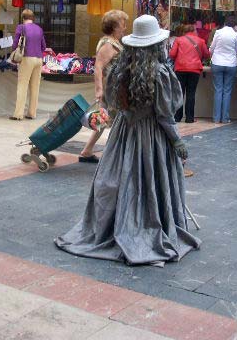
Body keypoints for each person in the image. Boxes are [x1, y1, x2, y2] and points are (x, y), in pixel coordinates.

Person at [55, 15, 201, 266]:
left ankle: (118, 223)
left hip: (123, 133)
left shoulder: (121, 70)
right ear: (156, 45)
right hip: (152, 136)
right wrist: (177, 142)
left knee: (121, 179)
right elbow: (165, 115)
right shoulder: (161, 73)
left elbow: (112, 106)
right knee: (149, 180)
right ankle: (145, 223)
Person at [79, 10, 127, 163]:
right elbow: (98, 67)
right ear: (114, 26)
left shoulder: (111, 42)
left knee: (103, 119)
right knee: (119, 120)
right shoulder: (108, 44)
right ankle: (114, 155)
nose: (125, 27)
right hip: (111, 89)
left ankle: (86, 151)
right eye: (122, 24)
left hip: (113, 87)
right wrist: (98, 90)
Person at [169, 24, 210, 123]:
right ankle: (190, 118)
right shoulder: (200, 41)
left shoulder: (179, 40)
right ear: (194, 31)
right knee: (191, 93)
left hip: (180, 69)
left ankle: (177, 117)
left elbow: (172, 54)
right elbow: (207, 54)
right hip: (194, 70)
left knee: (180, 93)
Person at [11, 9, 47, 120]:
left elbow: (15, 44)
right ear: (33, 18)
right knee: (35, 87)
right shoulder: (39, 29)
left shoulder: (21, 27)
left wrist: (14, 52)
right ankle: (32, 113)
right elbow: (44, 46)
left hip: (27, 58)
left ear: (23, 17)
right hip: (38, 59)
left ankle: (18, 114)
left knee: (22, 85)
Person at [209, 17, 237, 123]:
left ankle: (216, 118)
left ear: (225, 23)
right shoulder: (236, 34)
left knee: (218, 90)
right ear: (234, 25)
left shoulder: (218, 32)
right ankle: (225, 118)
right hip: (231, 64)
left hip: (217, 62)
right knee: (227, 91)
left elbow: (212, 48)